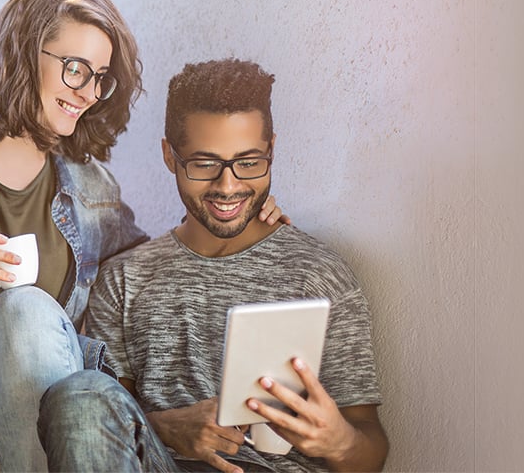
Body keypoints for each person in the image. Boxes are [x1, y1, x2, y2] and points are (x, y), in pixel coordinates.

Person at [0, 0, 287, 471]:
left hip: (19, 412)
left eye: (100, 78)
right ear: (23, 52)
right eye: (77, 69)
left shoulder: (90, 184)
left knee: (27, 307)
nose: (87, 92)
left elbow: (148, 269)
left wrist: (239, 215)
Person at [38, 58, 389, 473]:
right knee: (78, 395)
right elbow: (105, 422)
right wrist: (168, 428)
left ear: (272, 151)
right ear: (170, 155)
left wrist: (340, 440)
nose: (228, 186)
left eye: (249, 162)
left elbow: (370, 447)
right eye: (204, 164)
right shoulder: (126, 280)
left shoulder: (318, 275)